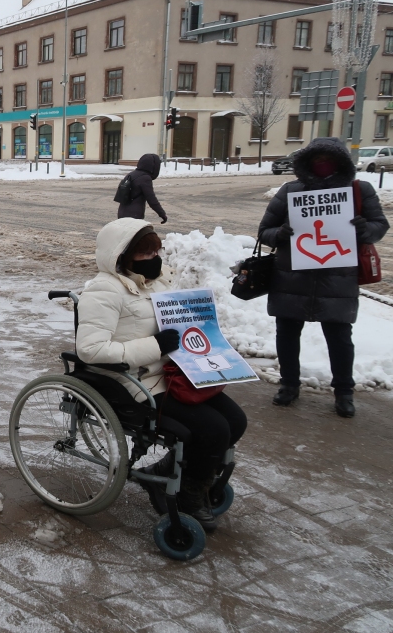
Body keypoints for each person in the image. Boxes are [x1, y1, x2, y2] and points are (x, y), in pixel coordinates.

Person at [76, 218, 246, 530]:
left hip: (171, 373)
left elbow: (175, 327)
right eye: (145, 253)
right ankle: (188, 496)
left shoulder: (156, 283)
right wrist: (155, 345)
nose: (154, 258)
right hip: (133, 382)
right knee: (213, 429)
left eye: (156, 252)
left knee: (235, 420)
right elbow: (90, 349)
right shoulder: (104, 291)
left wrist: (205, 337)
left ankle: (168, 470)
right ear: (121, 256)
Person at [258, 137, 388, 417]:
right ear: (306, 162)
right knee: (287, 334)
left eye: (328, 160)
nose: (322, 165)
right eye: (316, 160)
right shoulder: (291, 190)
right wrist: (280, 234)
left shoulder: (358, 190)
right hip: (292, 278)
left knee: (340, 338)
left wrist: (365, 230)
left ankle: (344, 391)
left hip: (337, 279)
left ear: (341, 163)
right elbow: (264, 231)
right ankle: (288, 385)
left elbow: (380, 225)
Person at [117, 153, 167, 224]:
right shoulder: (145, 178)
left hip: (122, 213)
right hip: (134, 215)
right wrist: (162, 214)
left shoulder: (131, 174)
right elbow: (152, 199)